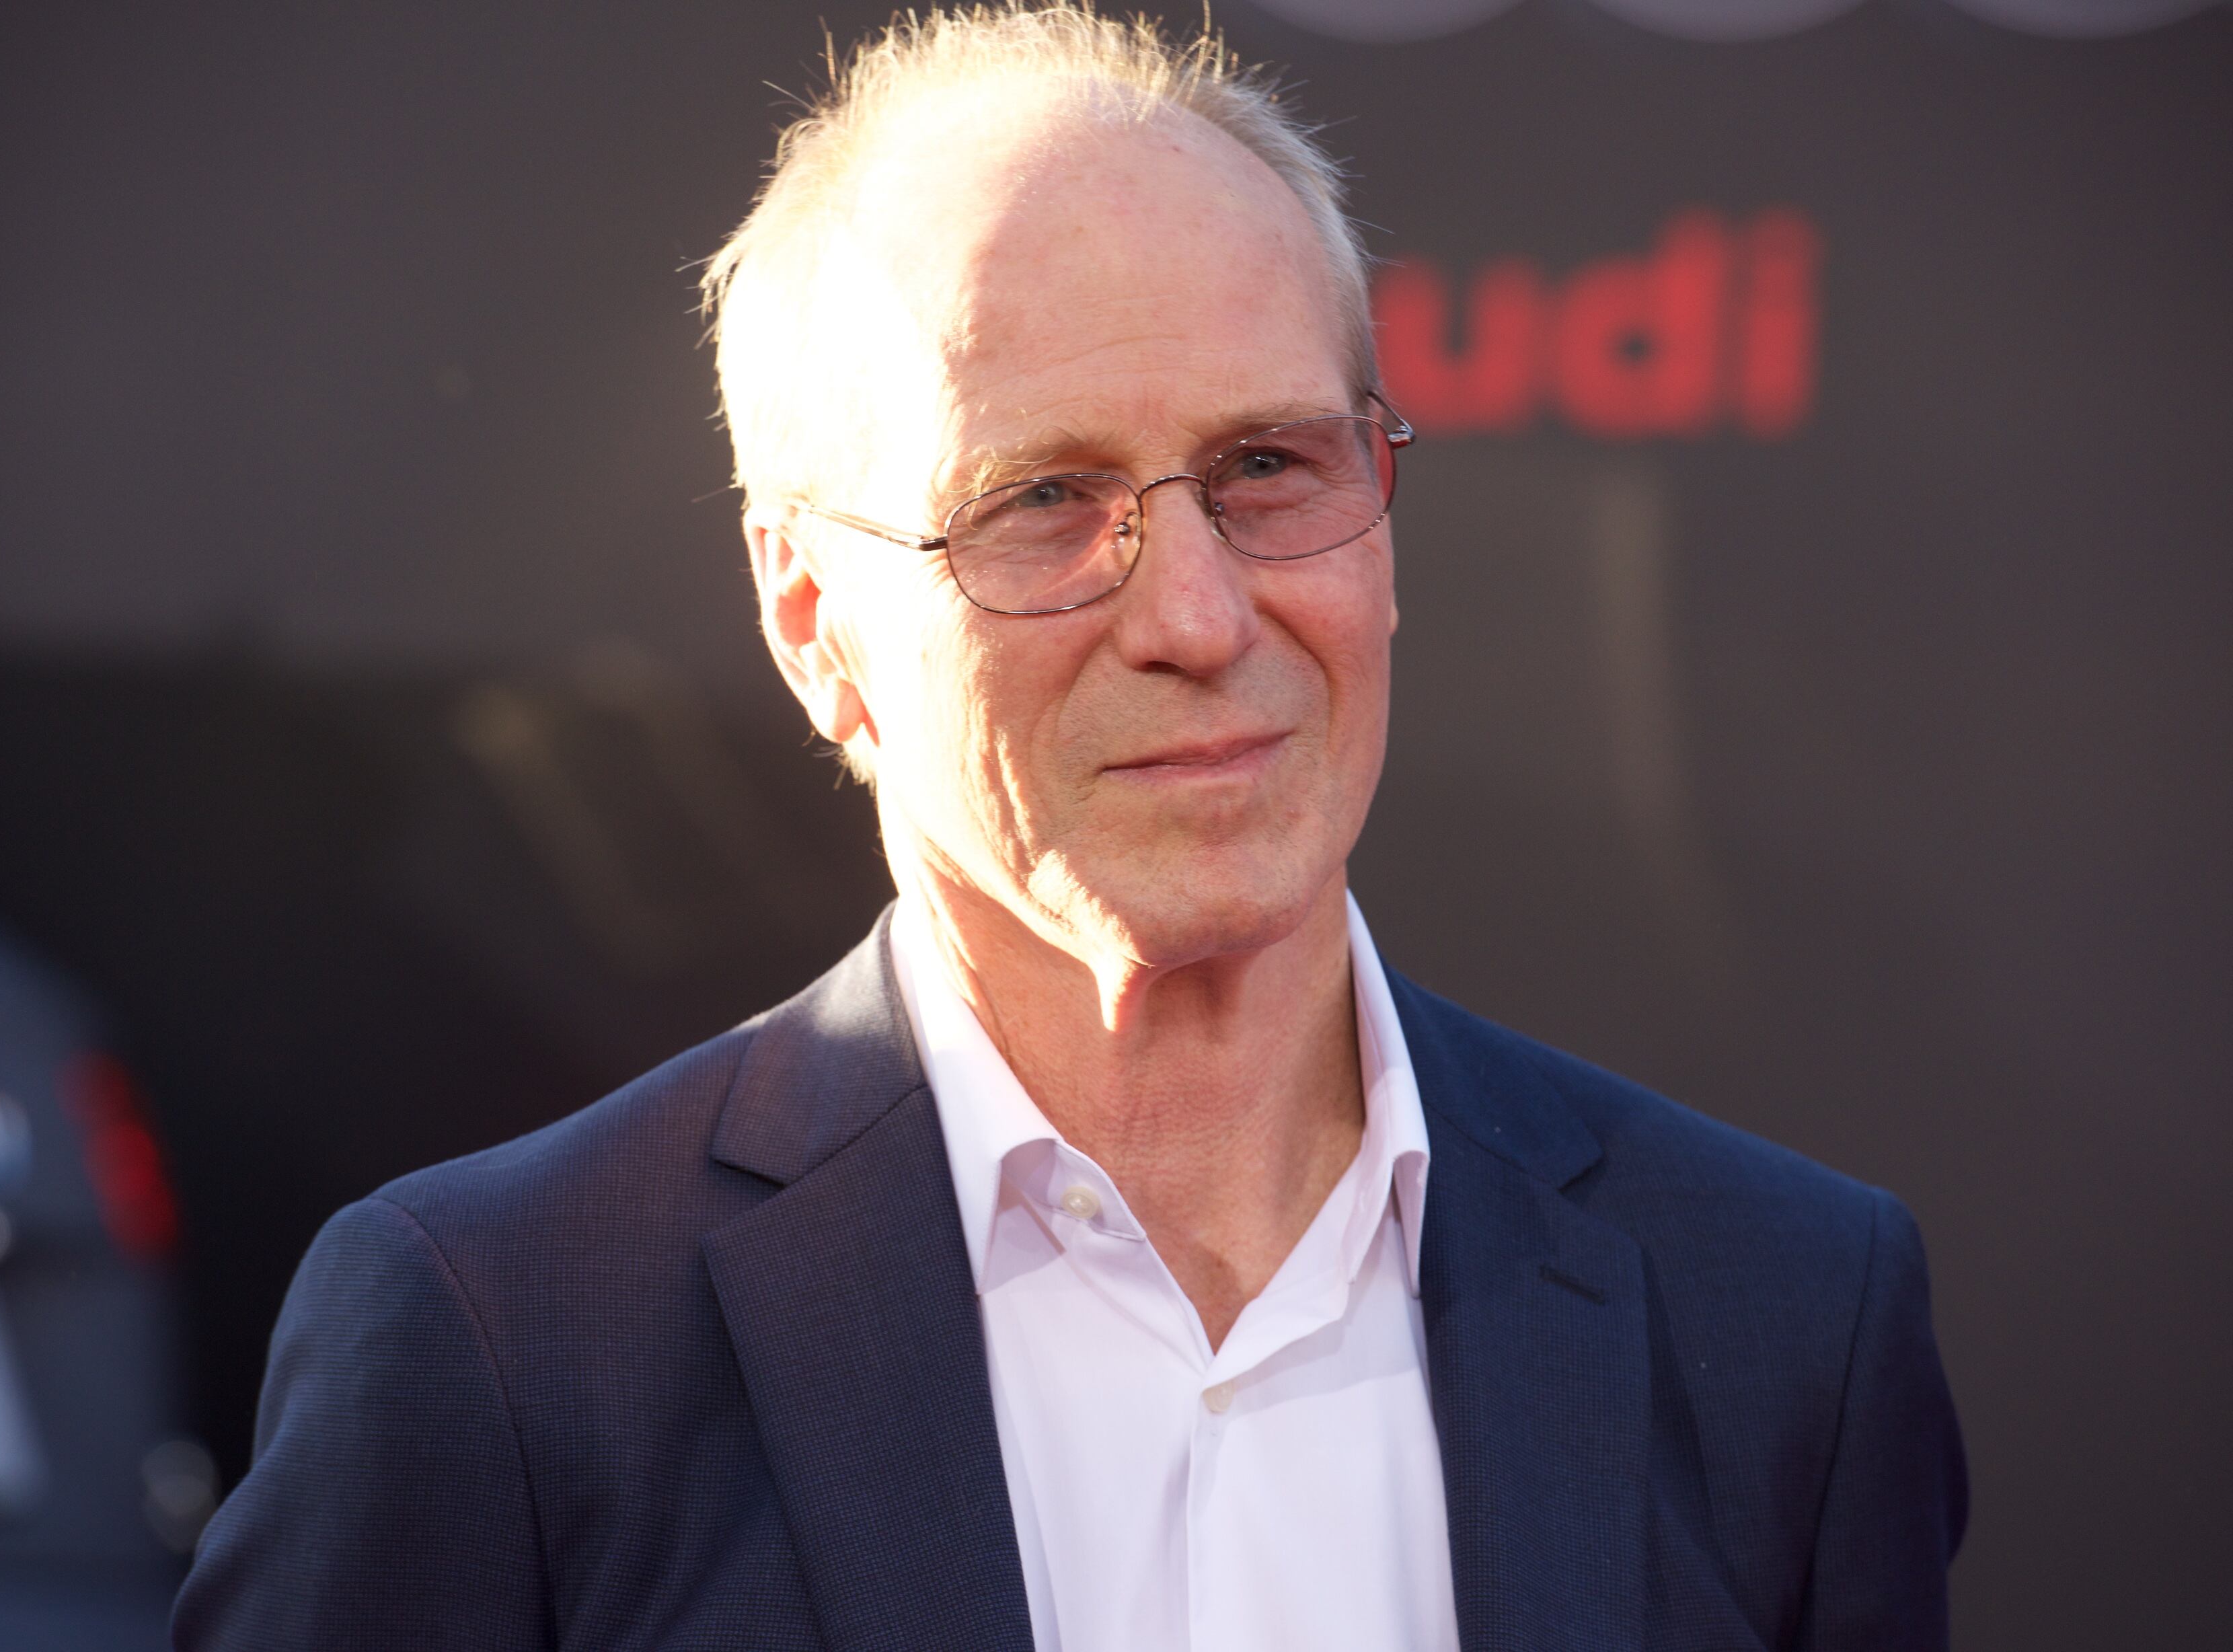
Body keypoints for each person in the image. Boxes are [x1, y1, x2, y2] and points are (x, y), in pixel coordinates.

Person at [172, 7, 1966, 1649]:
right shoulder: (505, 1344)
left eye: (1269, 468)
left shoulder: (1787, 1319)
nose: (1197, 614)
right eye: (1041, 500)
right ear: (811, 622)